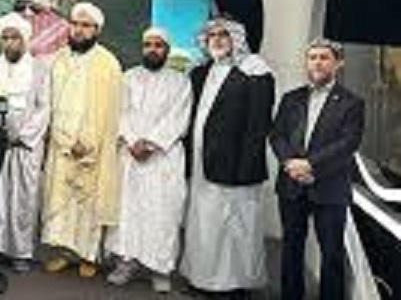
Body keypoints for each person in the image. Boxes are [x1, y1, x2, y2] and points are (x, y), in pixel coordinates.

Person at [180, 17, 275, 297]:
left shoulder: (255, 70)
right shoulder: (200, 72)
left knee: (236, 227)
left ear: (237, 39)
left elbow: (258, 125)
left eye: (224, 35)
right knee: (203, 223)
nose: (218, 40)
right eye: (213, 35)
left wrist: (246, 168)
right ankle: (201, 278)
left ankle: (233, 285)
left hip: (236, 167)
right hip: (202, 165)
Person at [270, 39, 364, 300]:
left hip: (330, 188)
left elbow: (348, 143)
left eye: (324, 57)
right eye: (312, 57)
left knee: (331, 254)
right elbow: (277, 135)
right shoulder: (291, 98)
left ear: (338, 63)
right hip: (291, 185)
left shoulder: (352, 103)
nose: (317, 63)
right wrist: (290, 164)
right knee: (291, 249)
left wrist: (310, 165)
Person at [105, 27, 192, 293]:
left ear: (167, 50)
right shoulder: (128, 77)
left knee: (162, 214)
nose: (152, 49)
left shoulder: (180, 82)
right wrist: (133, 141)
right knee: (127, 212)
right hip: (131, 156)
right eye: (148, 45)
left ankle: (160, 269)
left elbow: (178, 118)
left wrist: (151, 143)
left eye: (158, 45)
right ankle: (125, 263)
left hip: (163, 159)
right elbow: (119, 113)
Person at [41, 2, 122, 279]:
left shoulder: (108, 64)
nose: (78, 30)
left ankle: (88, 256)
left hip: (92, 147)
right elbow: (50, 102)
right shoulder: (58, 59)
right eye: (75, 24)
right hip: (61, 142)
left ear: (97, 30)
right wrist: (63, 138)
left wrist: (88, 143)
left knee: (87, 202)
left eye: (86, 25)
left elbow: (112, 111)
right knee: (60, 200)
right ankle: (64, 253)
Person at [0, 12, 50, 273]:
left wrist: (23, 136)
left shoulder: (40, 69)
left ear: (25, 40)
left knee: (23, 198)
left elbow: (44, 107)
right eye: (5, 38)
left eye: (15, 38)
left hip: (25, 146)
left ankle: (20, 252)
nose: (10, 43)